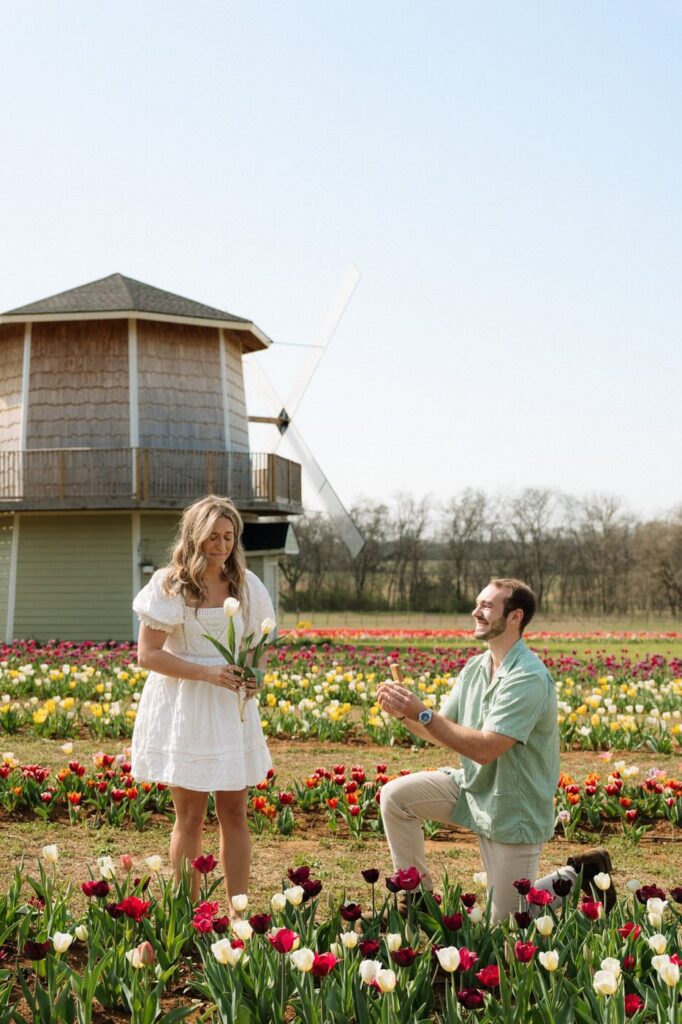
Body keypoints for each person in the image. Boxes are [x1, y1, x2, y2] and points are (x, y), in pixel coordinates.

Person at [377, 577, 616, 924]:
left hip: (513, 807)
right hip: (474, 788)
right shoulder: (476, 668)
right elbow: (441, 730)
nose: (476, 611)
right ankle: (416, 900)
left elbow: (486, 749)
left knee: (505, 925)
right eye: (478, 604)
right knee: (395, 796)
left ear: (515, 616)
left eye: (487, 606)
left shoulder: (528, 677)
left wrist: (422, 713)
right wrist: (404, 714)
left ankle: (580, 873)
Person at [131, 494, 275, 915]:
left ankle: (238, 914)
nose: (222, 544)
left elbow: (258, 646)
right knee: (189, 816)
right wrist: (207, 672)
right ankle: (188, 912)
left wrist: (252, 675)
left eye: (229, 536)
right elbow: (148, 655)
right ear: (195, 536)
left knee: (235, 812)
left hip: (231, 708)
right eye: (213, 535)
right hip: (186, 706)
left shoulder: (247, 586)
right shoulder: (169, 585)